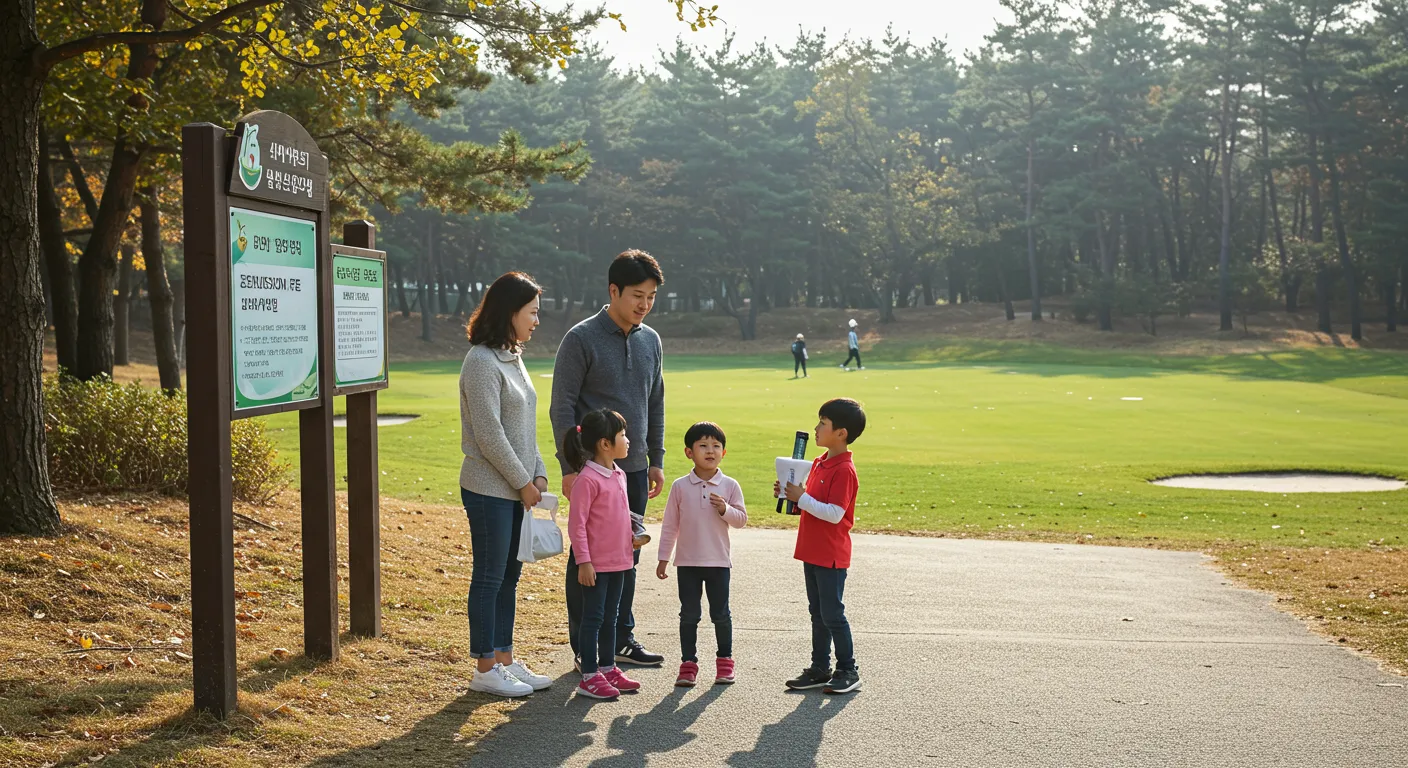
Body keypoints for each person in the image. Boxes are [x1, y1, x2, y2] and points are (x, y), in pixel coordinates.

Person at [552, 251, 668, 670]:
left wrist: (655, 457)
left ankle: (620, 639)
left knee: (626, 557)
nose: (645, 304)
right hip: (592, 473)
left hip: (633, 470)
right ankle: (586, 644)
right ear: (613, 291)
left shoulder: (650, 340)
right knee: (586, 557)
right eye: (638, 295)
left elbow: (655, 402)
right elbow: (561, 406)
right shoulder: (580, 338)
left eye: (652, 297)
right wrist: (570, 467)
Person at [459, 272, 554, 698]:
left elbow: (524, 427)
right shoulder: (480, 361)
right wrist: (522, 482)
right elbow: (489, 435)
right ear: (510, 311)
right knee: (490, 576)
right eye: (532, 312)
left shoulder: (512, 356)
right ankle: (484, 668)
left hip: (517, 488)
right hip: (487, 489)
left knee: (510, 577)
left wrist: (539, 472)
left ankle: (505, 659)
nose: (536, 320)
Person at [777, 398, 867, 695]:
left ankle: (848, 670)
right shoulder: (818, 463)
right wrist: (792, 496)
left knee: (832, 614)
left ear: (841, 433)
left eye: (822, 423)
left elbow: (834, 513)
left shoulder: (844, 470)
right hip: (812, 549)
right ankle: (820, 667)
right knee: (817, 612)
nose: (816, 428)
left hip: (830, 553)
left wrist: (801, 498)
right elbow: (811, 505)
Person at [656, 421, 747, 687]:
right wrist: (663, 558)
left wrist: (725, 510)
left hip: (718, 562)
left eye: (716, 446)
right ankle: (688, 664)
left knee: (721, 614)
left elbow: (741, 519)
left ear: (724, 453)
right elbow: (670, 524)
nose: (710, 451)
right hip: (687, 563)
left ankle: (725, 662)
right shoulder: (680, 486)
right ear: (689, 452)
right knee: (689, 614)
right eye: (703, 446)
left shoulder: (730, 485)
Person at [564, 408, 644, 700]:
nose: (628, 440)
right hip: (595, 566)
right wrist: (583, 561)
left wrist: (631, 536)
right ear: (605, 444)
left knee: (611, 617)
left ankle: (608, 668)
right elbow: (577, 525)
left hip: (619, 561)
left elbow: (616, 516)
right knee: (593, 619)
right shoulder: (587, 480)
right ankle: (589, 675)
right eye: (623, 435)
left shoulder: (618, 473)